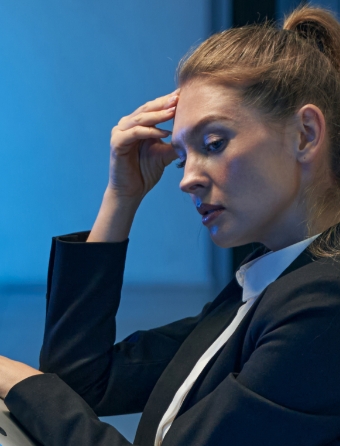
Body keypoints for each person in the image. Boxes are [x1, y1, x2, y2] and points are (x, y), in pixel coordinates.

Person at [1, 4, 340, 445]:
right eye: (182, 158)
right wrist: (121, 197)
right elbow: (83, 380)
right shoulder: (267, 285)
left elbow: (57, 391)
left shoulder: (324, 305)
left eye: (214, 143)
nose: (186, 179)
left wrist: (20, 383)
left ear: (305, 135)